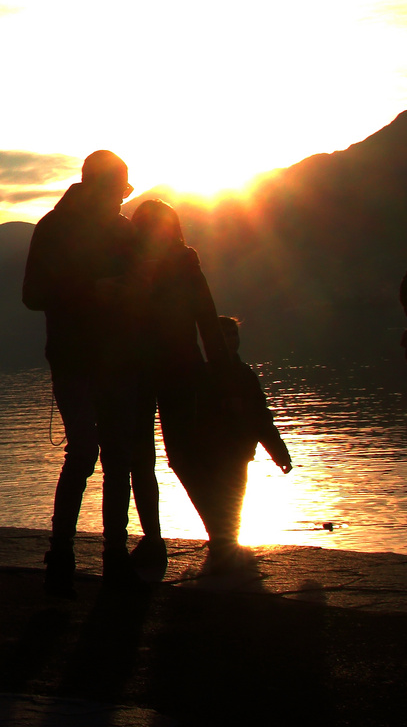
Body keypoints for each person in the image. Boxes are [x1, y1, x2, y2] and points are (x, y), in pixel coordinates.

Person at [125, 201, 285, 573]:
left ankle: (212, 532)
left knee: (183, 455)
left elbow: (207, 319)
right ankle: (189, 535)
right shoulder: (133, 262)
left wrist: (224, 375)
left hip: (174, 370)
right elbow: (207, 321)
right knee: (174, 457)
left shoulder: (181, 261)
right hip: (150, 369)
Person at [23, 150, 148, 595]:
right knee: (85, 451)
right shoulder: (53, 229)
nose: (121, 200)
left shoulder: (121, 230)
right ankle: (62, 554)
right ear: (97, 186)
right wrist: (93, 290)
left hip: (116, 356)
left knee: (116, 456)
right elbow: (33, 293)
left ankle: (113, 555)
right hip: (75, 356)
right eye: (117, 191)